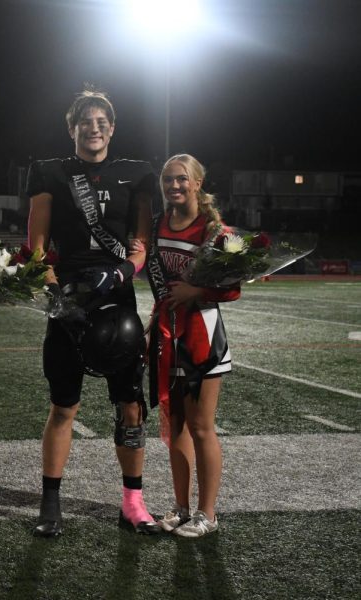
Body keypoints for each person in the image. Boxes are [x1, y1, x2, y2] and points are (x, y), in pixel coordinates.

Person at [27, 88, 160, 537]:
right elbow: (37, 249)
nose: (95, 127)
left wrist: (121, 273)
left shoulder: (136, 175)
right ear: (73, 128)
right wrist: (57, 299)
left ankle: (133, 503)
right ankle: (50, 504)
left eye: (103, 121)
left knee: (130, 405)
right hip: (69, 297)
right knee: (64, 405)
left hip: (117, 297)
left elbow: (141, 247)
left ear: (113, 128)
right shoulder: (50, 173)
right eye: (86, 121)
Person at [145, 154, 239, 537]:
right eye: (168, 180)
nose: (174, 186)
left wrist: (196, 290)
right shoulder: (158, 224)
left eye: (182, 179)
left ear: (198, 183)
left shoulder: (215, 230)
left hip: (202, 333)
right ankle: (181, 507)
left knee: (202, 427)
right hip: (168, 331)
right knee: (175, 424)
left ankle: (208, 514)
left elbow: (232, 287)